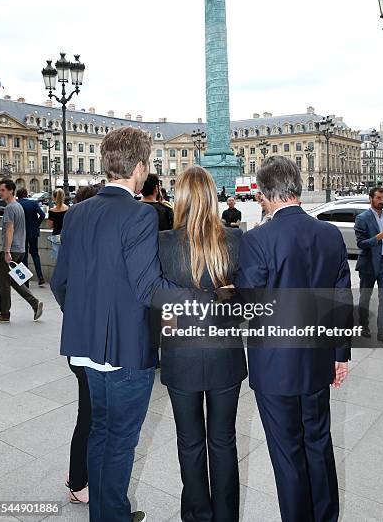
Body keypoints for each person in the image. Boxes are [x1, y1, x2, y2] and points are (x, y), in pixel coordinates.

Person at [51, 127, 179, 522]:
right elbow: (148, 288)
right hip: (126, 350)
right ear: (140, 167)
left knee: (101, 432)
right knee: (121, 441)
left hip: (86, 349)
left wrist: (85, 321)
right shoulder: (139, 214)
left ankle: (106, 513)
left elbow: (60, 282)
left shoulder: (77, 212)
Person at [237, 156, 351, 522]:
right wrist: (340, 355)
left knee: (287, 452)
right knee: (318, 443)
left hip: (275, 369)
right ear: (297, 187)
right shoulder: (330, 235)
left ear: (265, 193)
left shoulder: (257, 240)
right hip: (318, 360)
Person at [159, 166, 247, 522]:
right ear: (213, 197)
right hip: (225, 354)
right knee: (224, 441)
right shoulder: (236, 239)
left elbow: (157, 300)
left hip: (180, 356)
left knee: (190, 442)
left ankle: (197, 515)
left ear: (179, 198)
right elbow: (245, 304)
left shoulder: (162, 242)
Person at [64, 185, 98, 505]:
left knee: (88, 412)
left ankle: (81, 478)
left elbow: (61, 285)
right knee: (89, 414)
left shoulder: (75, 244)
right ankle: (78, 481)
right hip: (91, 345)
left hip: (79, 343)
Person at [0, 179, 43, 324]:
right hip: (20, 249)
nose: (0, 193)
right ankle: (35, 303)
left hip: (11, 249)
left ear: (11, 191)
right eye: (0, 190)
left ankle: (4, 314)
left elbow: (9, 229)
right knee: (15, 281)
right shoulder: (18, 206)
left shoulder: (9, 208)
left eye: (2, 190)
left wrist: (7, 251)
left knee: (3, 282)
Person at [355, 186, 383, 347]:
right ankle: (364, 326)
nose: (381, 201)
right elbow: (361, 243)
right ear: (371, 198)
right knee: (365, 297)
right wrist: (377, 238)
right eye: (378, 198)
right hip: (368, 265)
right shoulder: (362, 218)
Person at [16, 188, 45, 287]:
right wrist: (36, 224)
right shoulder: (33, 203)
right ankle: (40, 277)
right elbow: (42, 214)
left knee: (24, 256)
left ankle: (26, 281)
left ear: (18, 195)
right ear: (26, 194)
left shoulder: (17, 204)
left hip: (22, 234)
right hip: (33, 233)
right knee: (35, 254)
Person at [48, 189, 69, 258]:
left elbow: (50, 225)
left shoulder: (52, 211)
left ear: (54, 197)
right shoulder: (68, 209)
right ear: (63, 197)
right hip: (66, 235)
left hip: (56, 236)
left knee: (57, 259)